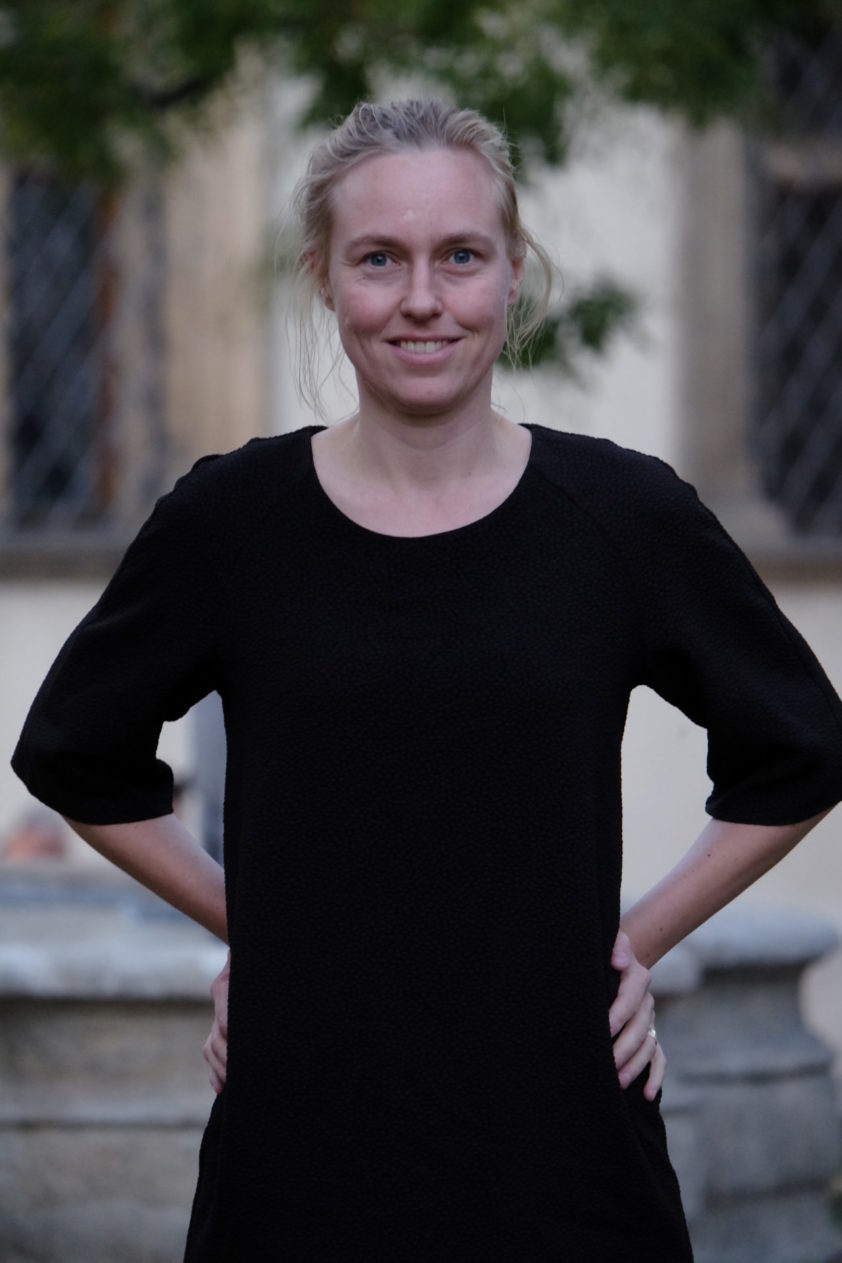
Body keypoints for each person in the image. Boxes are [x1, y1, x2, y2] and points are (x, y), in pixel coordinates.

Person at [12, 98, 842, 1262]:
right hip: (301, 1154)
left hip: (562, 1155)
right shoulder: (230, 523)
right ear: (322, 278)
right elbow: (74, 753)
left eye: (459, 256)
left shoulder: (620, 519)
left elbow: (799, 748)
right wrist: (263, 932)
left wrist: (634, 941)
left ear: (512, 274)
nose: (420, 298)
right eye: (377, 259)